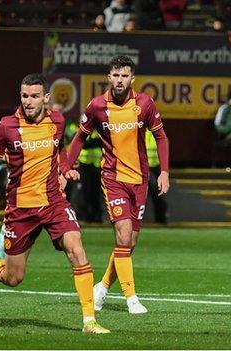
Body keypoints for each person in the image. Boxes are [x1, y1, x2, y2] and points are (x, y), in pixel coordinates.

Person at [0, 74, 109, 334]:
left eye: (34, 96)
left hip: (53, 202)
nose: (29, 101)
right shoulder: (6, 126)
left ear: (46, 98)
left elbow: (58, 149)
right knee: (13, 278)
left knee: (76, 249)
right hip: (20, 210)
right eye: (25, 96)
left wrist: (65, 167)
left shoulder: (58, 121)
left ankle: (89, 321)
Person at [65, 55, 170, 314]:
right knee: (123, 236)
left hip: (141, 181)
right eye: (116, 75)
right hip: (113, 179)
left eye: (125, 76)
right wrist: (65, 167)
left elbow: (161, 137)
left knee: (129, 243)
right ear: (108, 77)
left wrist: (164, 171)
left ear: (132, 79)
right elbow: (79, 138)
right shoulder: (97, 106)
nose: (120, 80)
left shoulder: (145, 103)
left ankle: (101, 288)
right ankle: (131, 298)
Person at [146, 130, 168, 224]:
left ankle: (161, 217)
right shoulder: (139, 131)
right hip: (143, 168)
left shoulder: (158, 133)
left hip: (155, 168)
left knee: (157, 193)